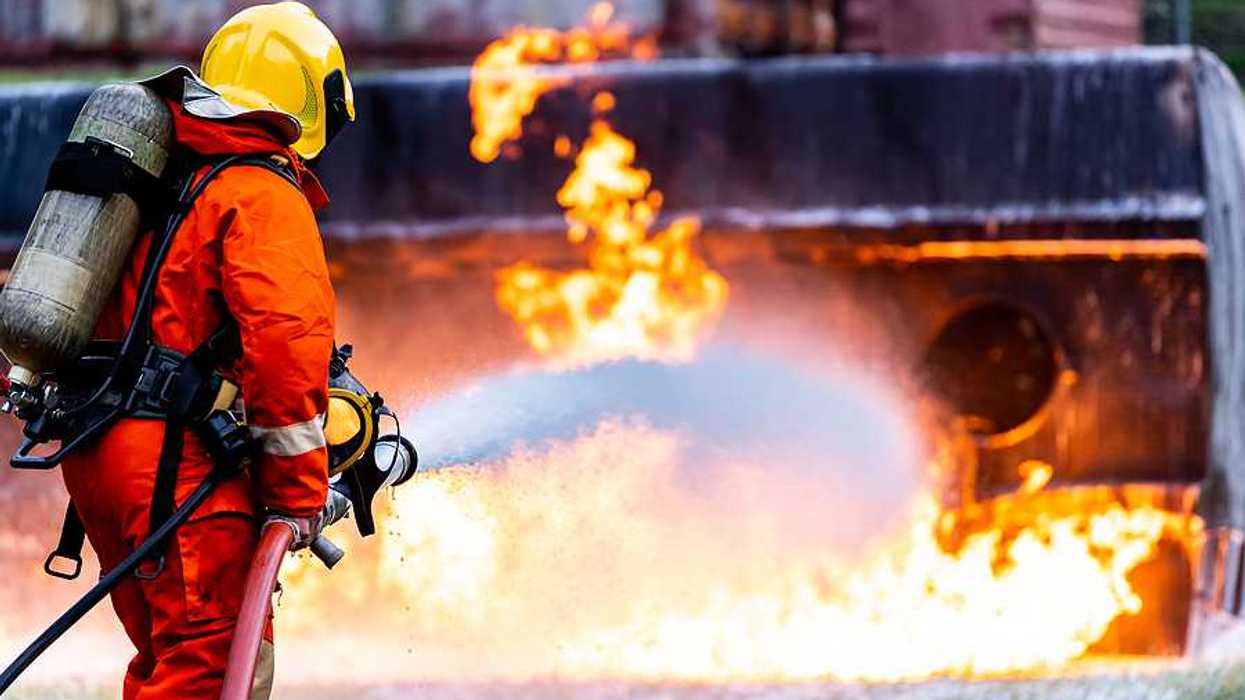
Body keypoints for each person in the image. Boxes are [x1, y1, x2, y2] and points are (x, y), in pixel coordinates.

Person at [58, 3, 354, 697]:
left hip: (101, 452)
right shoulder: (257, 191)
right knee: (210, 664)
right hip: (176, 465)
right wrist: (296, 496)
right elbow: (285, 343)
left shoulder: (163, 183)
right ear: (311, 100)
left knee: (168, 658)